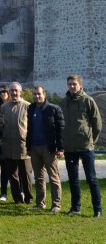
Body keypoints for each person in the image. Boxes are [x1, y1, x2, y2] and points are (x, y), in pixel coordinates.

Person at [61, 75, 102, 217]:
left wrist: (91, 140)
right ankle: (75, 207)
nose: (72, 86)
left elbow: (97, 124)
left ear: (80, 85)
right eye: (70, 84)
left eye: (74, 84)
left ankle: (97, 209)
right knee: (73, 179)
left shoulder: (88, 101)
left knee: (91, 178)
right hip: (70, 147)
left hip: (85, 146)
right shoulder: (64, 102)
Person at [27, 86, 64, 213]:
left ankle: (56, 204)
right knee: (38, 178)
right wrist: (28, 147)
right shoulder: (31, 108)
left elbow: (60, 130)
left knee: (53, 177)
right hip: (34, 147)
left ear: (44, 94)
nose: (37, 96)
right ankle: (40, 203)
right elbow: (29, 129)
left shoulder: (54, 109)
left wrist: (60, 147)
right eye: (35, 94)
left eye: (39, 94)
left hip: (49, 148)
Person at [0, 82, 33, 204]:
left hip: (23, 146)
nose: (14, 93)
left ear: (21, 92)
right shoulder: (4, 107)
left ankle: (29, 198)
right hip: (8, 145)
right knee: (12, 175)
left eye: (16, 90)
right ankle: (17, 199)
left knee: (26, 174)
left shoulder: (28, 106)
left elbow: (31, 127)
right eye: (12, 90)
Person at [0, 84, 10, 202]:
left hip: (14, 141)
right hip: (2, 142)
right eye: (0, 92)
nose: (3, 94)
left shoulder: (13, 105)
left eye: (4, 91)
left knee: (16, 169)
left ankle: (19, 190)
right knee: (4, 169)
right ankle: (4, 193)